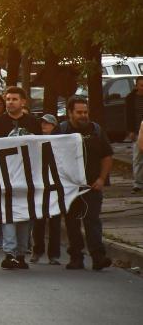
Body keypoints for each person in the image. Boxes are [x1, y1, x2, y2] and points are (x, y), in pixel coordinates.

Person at [0, 87, 41, 269]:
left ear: (23, 102)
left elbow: (39, 149)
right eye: (8, 99)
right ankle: (9, 253)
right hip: (5, 176)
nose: (10, 102)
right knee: (8, 214)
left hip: (27, 177)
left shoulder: (33, 123)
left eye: (14, 99)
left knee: (24, 216)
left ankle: (21, 253)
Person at [59, 96, 113, 271]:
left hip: (92, 185)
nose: (83, 115)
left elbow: (107, 156)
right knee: (72, 223)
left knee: (93, 221)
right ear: (70, 113)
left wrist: (101, 179)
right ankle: (76, 258)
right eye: (79, 112)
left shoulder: (96, 130)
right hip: (70, 188)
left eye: (85, 112)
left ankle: (98, 257)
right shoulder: (61, 131)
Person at [30, 113, 62, 265]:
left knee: (55, 222)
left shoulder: (61, 142)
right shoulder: (35, 141)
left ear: (54, 126)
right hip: (39, 185)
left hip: (56, 186)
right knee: (38, 221)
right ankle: (37, 251)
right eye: (42, 123)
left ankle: (54, 254)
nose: (44, 126)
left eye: (48, 123)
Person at [125, 77, 143, 192]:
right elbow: (128, 116)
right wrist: (130, 130)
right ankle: (137, 183)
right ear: (136, 86)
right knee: (137, 158)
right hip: (137, 131)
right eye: (141, 85)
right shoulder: (131, 99)